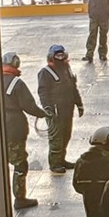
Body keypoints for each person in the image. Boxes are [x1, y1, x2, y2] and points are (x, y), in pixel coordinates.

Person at [2, 50, 46, 209]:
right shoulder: (16, 84)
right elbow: (29, 106)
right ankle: (19, 198)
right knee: (20, 163)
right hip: (14, 127)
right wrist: (43, 114)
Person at [36, 43, 84, 174]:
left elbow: (73, 88)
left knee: (66, 136)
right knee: (56, 138)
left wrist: (79, 104)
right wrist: (48, 108)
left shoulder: (66, 69)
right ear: (52, 56)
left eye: (62, 54)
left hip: (67, 110)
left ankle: (62, 160)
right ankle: (55, 163)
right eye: (57, 54)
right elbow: (43, 92)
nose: (60, 56)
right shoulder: (45, 73)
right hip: (55, 112)